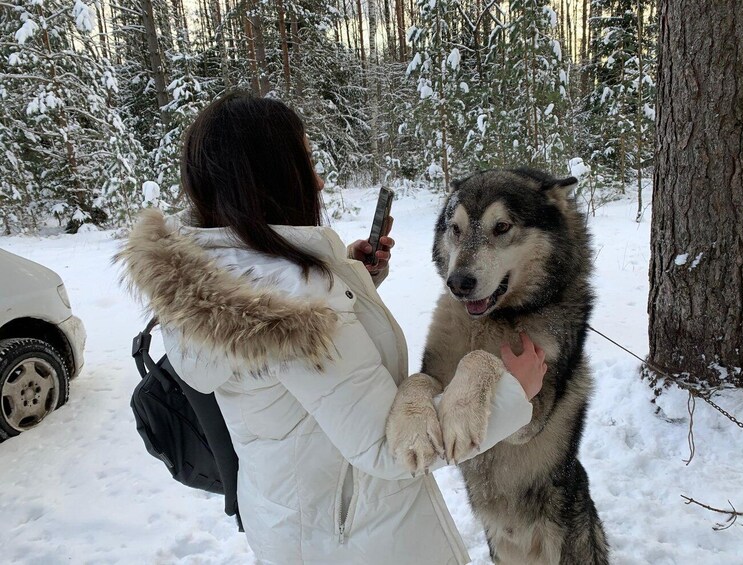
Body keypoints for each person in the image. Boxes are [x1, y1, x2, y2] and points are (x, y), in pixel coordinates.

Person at [118, 92, 546, 565]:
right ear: (271, 178)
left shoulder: (211, 273)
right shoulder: (298, 308)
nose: (318, 180)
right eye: (306, 162)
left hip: (288, 522)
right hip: (362, 541)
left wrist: (351, 277)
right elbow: (392, 448)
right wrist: (511, 391)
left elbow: (296, 385)